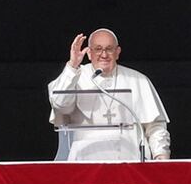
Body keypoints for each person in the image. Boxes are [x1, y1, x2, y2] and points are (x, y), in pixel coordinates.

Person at [48, 29, 171, 161]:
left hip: (130, 163)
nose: (104, 54)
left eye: (109, 49)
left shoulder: (138, 80)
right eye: (98, 49)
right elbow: (60, 104)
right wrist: (72, 65)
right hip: (84, 163)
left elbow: (155, 126)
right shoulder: (75, 77)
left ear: (117, 52)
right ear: (89, 53)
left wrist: (161, 156)